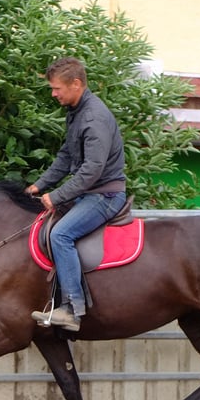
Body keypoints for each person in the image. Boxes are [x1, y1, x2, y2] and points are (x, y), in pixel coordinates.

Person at [26, 57, 127, 332]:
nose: (53, 93)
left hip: (104, 196)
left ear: (76, 84)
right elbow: (66, 155)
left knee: (61, 235)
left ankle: (72, 308)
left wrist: (56, 196)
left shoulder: (93, 118)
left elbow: (92, 169)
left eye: (57, 88)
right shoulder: (76, 112)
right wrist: (39, 185)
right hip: (89, 192)